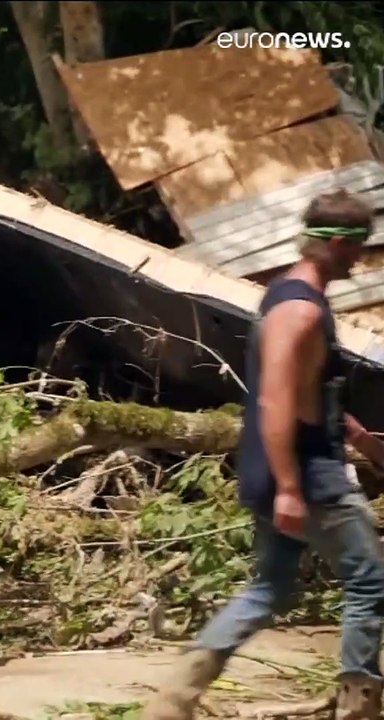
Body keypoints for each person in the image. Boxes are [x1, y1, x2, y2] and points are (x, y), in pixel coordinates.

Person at [143, 189, 384, 720]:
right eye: (359, 246)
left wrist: (355, 432)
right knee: (370, 578)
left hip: (281, 465)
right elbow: (274, 396)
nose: (362, 258)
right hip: (306, 472)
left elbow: (302, 389)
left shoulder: (283, 296)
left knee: (269, 589)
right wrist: (292, 486)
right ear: (339, 244)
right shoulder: (299, 309)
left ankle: (173, 701)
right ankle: (359, 705)